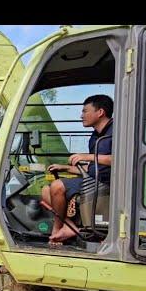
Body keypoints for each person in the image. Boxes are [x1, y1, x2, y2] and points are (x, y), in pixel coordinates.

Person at [42, 94, 114, 244]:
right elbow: (93, 167)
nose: (81, 116)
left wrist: (86, 156)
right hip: (92, 180)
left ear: (100, 112)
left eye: (85, 111)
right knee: (45, 190)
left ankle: (57, 229)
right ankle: (71, 227)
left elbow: (119, 160)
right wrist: (65, 168)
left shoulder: (117, 133)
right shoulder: (95, 137)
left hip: (107, 183)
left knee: (57, 186)